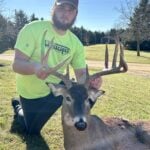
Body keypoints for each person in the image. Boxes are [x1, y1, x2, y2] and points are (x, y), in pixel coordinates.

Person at [12, 0, 102, 135]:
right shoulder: (33, 28)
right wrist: (35, 67)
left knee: (86, 93)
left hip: (57, 88)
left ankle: (77, 121)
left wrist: (92, 81)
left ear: (76, 14)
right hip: (30, 92)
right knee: (31, 130)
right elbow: (17, 64)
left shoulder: (75, 43)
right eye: (62, 7)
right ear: (54, 8)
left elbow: (81, 75)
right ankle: (18, 106)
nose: (66, 13)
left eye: (70, 10)